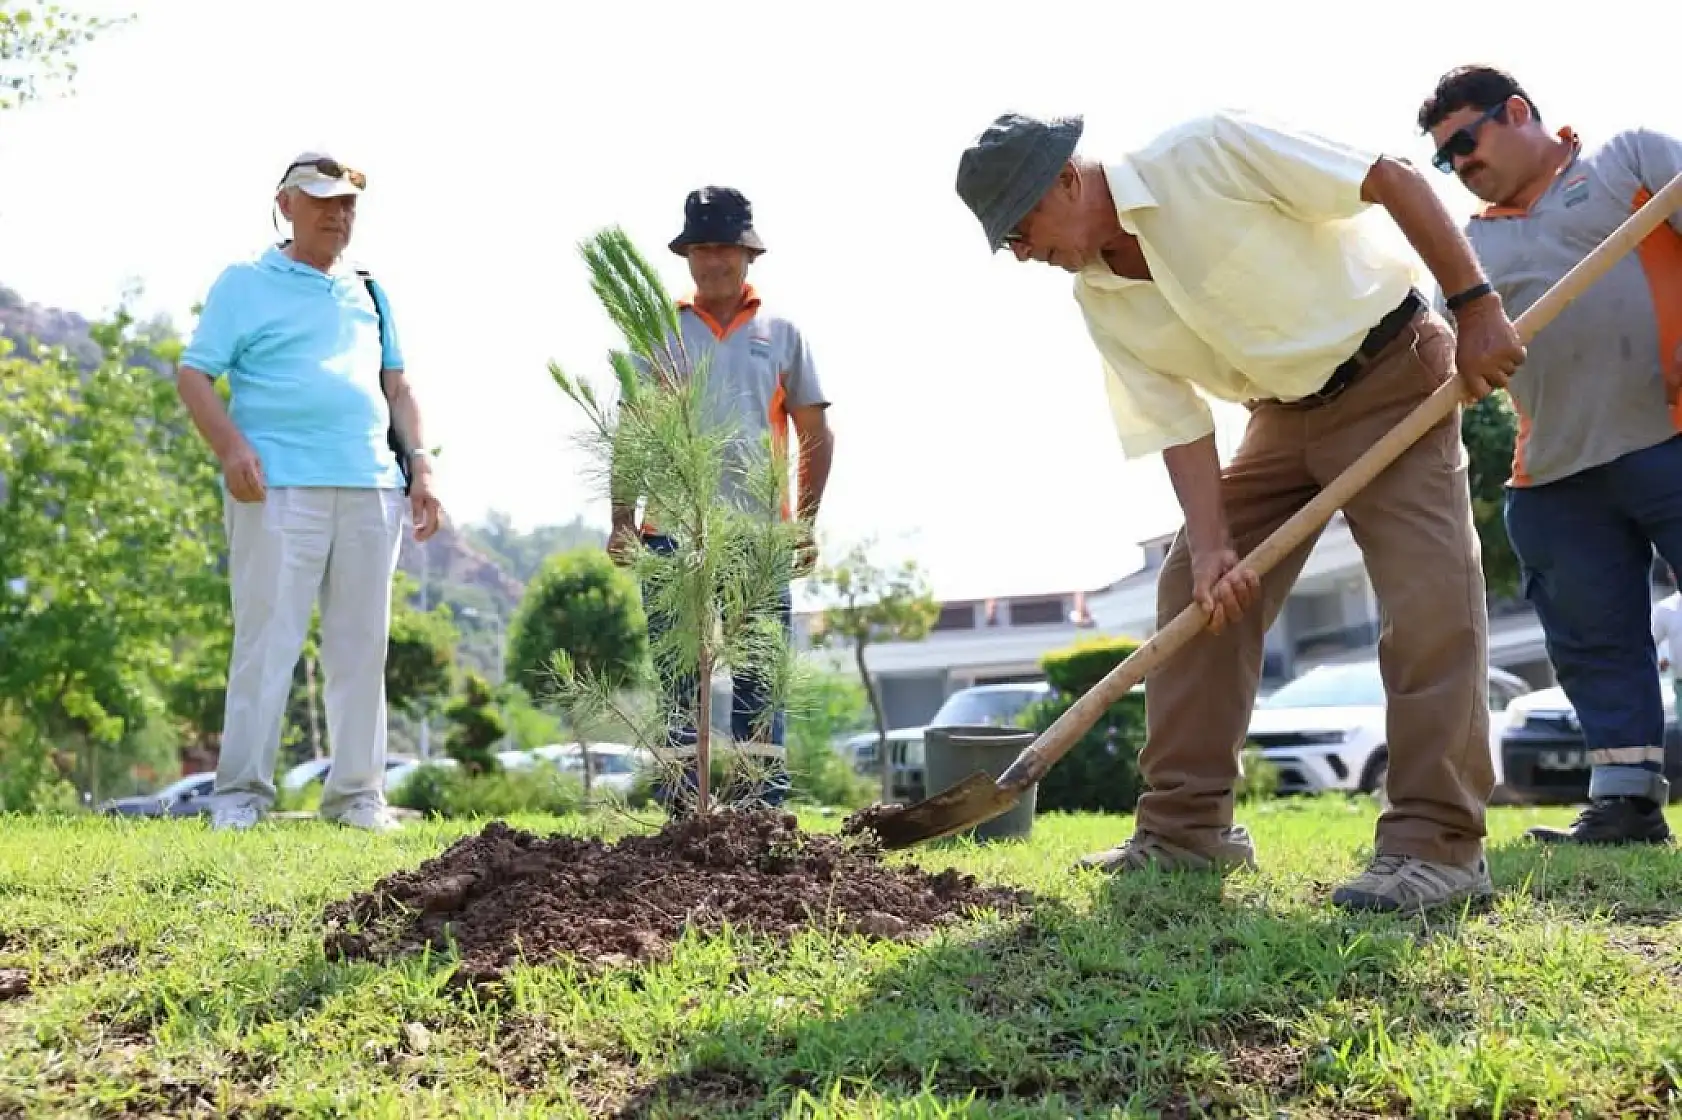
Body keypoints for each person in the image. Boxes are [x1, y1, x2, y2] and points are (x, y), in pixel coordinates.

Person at [954, 109, 1526, 912]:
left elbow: (1391, 176)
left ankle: (1437, 846)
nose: (1021, 252)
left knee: (1430, 601)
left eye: (1020, 225)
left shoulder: (1207, 153)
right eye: (1006, 240)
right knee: (1193, 593)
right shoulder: (1098, 296)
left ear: (1068, 180)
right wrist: (1217, 546)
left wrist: (1475, 307)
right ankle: (1186, 833)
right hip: (1281, 414)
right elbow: (1178, 421)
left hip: (1393, 369)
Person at [1418, 65, 1682, 845]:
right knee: (1594, 641)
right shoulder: (1467, 251)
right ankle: (1627, 802)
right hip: (1558, 474)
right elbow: (1459, 363)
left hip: (1671, 433)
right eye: (1445, 159)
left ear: (1520, 112)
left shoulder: (1628, 161)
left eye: (1465, 140)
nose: (1460, 164)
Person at [176, 151, 443, 832]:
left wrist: (421, 465)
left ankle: (357, 799)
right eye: (322, 200)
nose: (337, 213)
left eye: (348, 203)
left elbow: (398, 387)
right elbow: (195, 376)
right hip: (276, 488)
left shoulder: (371, 292)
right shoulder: (244, 283)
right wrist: (232, 448)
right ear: (285, 203)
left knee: (360, 648)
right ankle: (239, 796)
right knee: (267, 642)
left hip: (369, 487)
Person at [610, 186, 834, 811]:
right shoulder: (658, 332)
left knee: (763, 681)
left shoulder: (782, 334)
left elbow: (815, 430)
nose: (713, 262)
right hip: (671, 533)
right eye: (701, 249)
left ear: (748, 253)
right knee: (679, 680)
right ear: (687, 255)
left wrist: (806, 524)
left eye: (725, 249)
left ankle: (761, 812)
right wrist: (621, 519)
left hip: (759, 535)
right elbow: (631, 429)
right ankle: (686, 810)